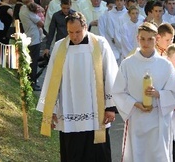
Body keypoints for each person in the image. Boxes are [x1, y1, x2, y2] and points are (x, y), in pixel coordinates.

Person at [36, 12, 118, 162]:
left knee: (97, 154)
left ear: (85, 27)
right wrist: (51, 109)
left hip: (96, 110)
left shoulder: (100, 44)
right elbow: (52, 80)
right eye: (70, 32)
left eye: (78, 32)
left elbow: (111, 74)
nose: (74, 36)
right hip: (69, 110)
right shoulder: (60, 47)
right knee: (73, 152)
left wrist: (111, 107)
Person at [112, 22, 175, 161]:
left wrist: (159, 94)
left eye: (150, 39)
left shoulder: (165, 64)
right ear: (137, 38)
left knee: (157, 156)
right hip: (137, 118)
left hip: (158, 118)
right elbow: (118, 92)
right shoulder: (128, 64)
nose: (146, 42)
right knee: (137, 155)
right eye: (142, 38)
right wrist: (135, 104)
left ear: (156, 39)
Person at [19, 0, 44, 91]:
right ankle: (32, 83)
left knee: (31, 61)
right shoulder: (28, 11)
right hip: (33, 38)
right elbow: (40, 22)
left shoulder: (23, 9)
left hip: (30, 36)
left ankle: (30, 81)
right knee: (33, 62)